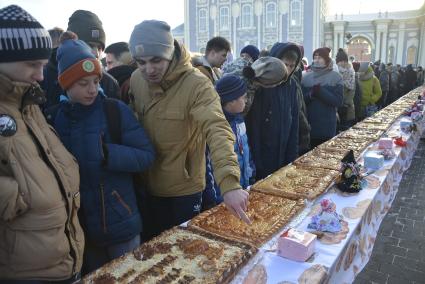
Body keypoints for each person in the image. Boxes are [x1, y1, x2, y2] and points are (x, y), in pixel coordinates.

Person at [129, 20, 250, 239]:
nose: (149, 69)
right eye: (141, 62)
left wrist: (230, 184)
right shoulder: (137, 80)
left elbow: (218, 130)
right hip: (149, 185)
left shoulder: (196, 84)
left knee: (184, 253)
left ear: (169, 54)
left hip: (184, 190)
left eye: (156, 60)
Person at [50, 32, 155, 273]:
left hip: (122, 224)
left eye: (95, 82)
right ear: (66, 84)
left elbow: (146, 155)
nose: (92, 89)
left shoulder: (114, 110)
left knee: (130, 276)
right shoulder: (57, 118)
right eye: (82, 83)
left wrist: (110, 154)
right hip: (83, 228)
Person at [0, 5, 84, 283]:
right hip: (24, 269)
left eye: (43, 64)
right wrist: (13, 197)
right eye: (32, 65)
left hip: (61, 254)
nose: (40, 76)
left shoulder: (27, 101)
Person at [41, 10, 121, 109]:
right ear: (73, 44)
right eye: (89, 45)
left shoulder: (109, 83)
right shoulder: (41, 77)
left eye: (100, 48)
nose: (96, 53)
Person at [246, 42, 299, 180]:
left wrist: (292, 154)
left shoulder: (292, 85)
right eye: (285, 64)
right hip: (263, 153)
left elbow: (294, 120)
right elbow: (254, 123)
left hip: (284, 150)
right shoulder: (264, 83)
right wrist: (257, 159)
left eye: (292, 66)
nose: (287, 70)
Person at [216, 75, 254, 188]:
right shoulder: (219, 127)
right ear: (231, 100)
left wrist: (250, 173)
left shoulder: (239, 120)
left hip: (243, 184)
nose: (246, 101)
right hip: (226, 192)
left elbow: (246, 149)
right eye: (244, 97)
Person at [301, 47, 343, 148]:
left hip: (327, 126)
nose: (317, 60)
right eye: (315, 57)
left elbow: (338, 101)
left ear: (327, 59)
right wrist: (311, 94)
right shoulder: (305, 77)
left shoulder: (336, 77)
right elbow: (301, 101)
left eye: (320, 57)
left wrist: (321, 92)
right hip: (310, 125)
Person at [335, 48, 356, 131]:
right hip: (337, 106)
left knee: (346, 130)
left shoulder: (351, 72)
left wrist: (345, 103)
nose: (340, 64)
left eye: (342, 61)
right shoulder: (336, 71)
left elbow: (352, 90)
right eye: (339, 62)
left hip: (347, 107)